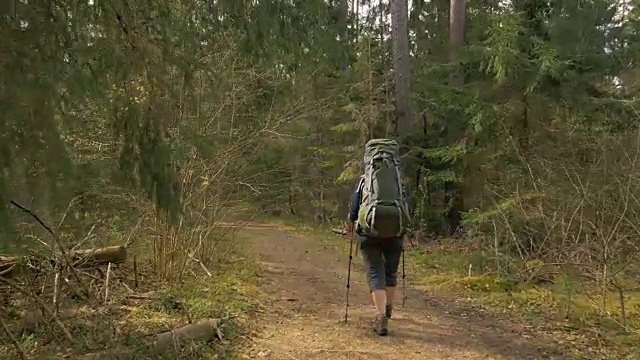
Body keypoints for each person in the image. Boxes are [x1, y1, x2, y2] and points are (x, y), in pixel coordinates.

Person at [347, 174, 410, 336]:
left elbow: (354, 208)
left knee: (375, 271)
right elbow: (407, 207)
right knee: (391, 272)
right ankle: (387, 308)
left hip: (369, 233)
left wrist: (351, 224)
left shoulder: (365, 179)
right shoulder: (396, 178)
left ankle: (381, 317)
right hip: (395, 233)